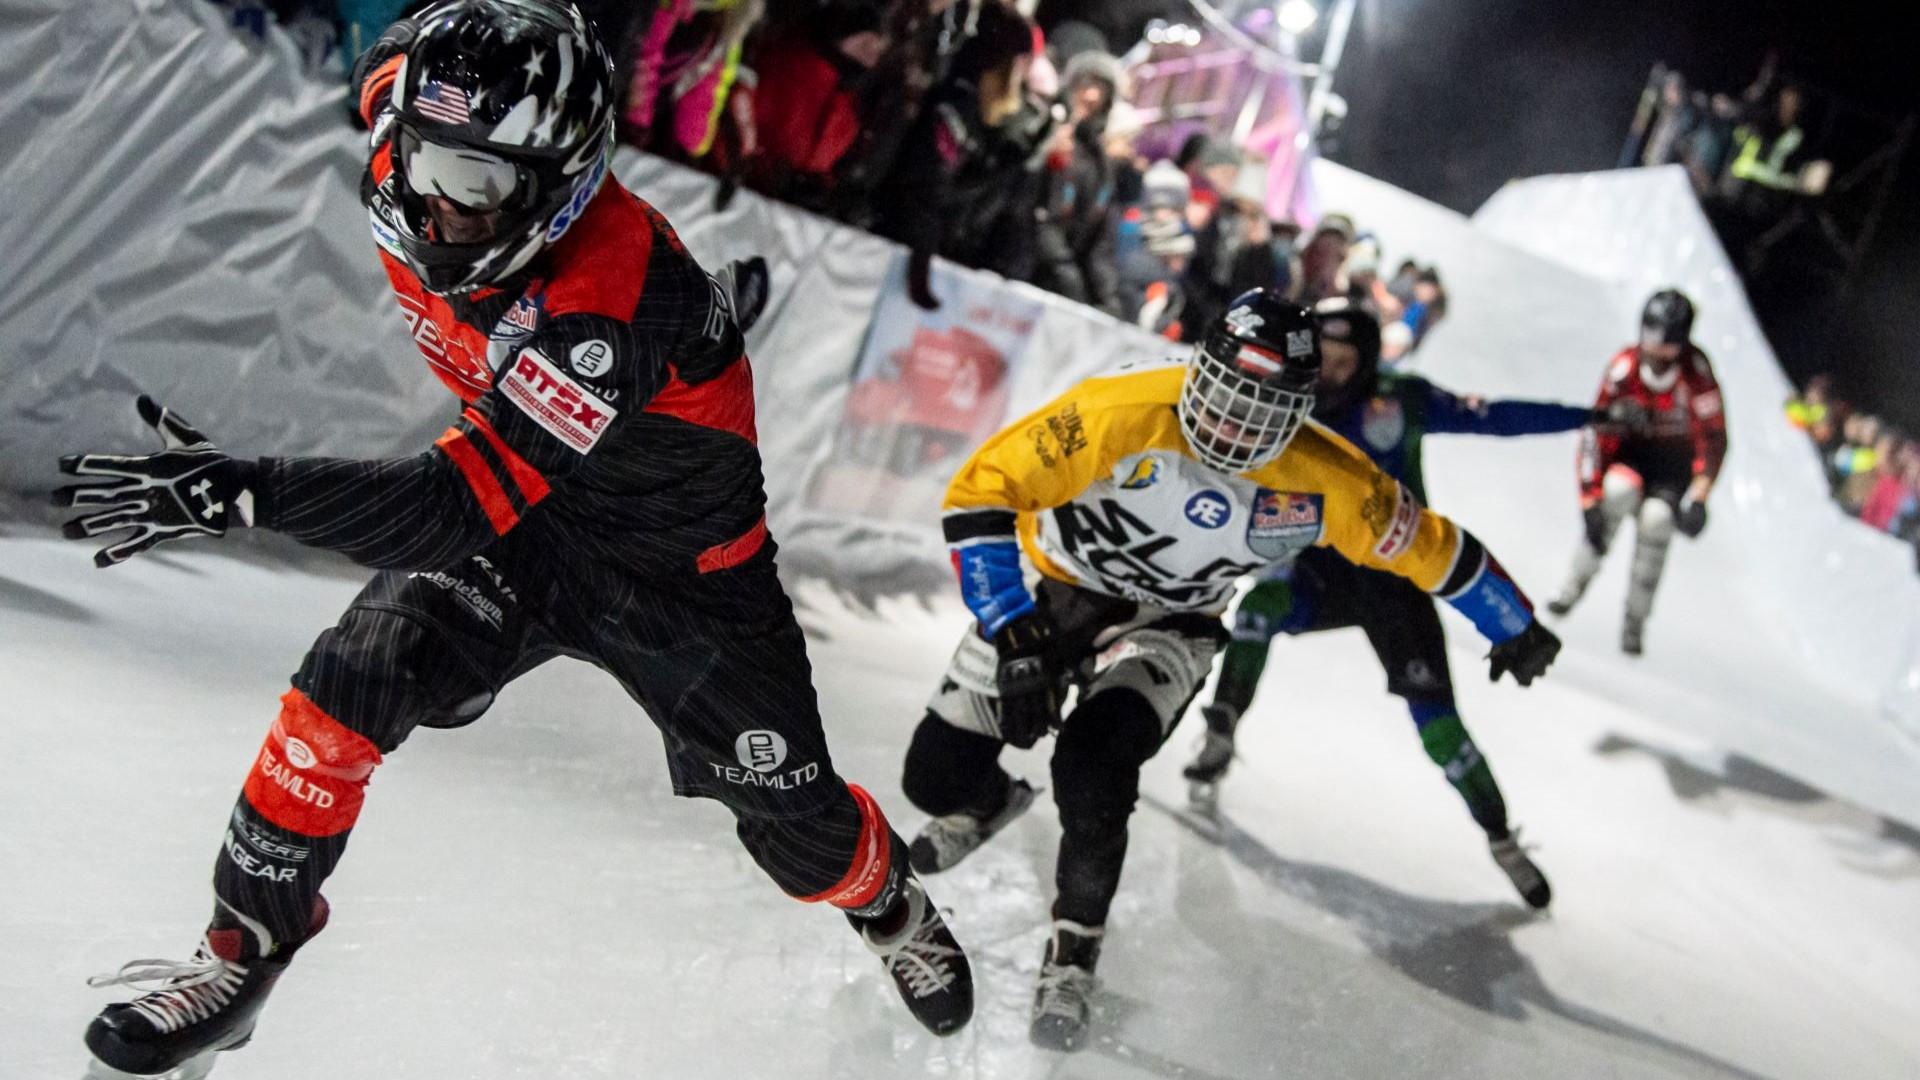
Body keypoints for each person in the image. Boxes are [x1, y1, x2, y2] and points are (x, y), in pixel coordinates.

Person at [60, 4, 972, 1075]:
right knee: (346, 683)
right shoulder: (410, 94)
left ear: (567, 187)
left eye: (483, 187)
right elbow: (413, 63)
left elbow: (449, 508)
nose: (439, 207)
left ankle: (888, 904)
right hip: (533, 519)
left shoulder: (607, 307)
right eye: (427, 159)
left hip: (680, 582)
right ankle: (239, 952)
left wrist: (247, 493)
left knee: (800, 835)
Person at [897, 290, 1563, 1051]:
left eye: (1264, 413)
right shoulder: (1116, 411)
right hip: (1056, 597)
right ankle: (986, 802)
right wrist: (1015, 634)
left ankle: (1075, 946)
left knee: (1094, 769)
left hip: (1171, 628)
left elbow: (1433, 547)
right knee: (931, 781)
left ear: (1303, 415)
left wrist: (1518, 624)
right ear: (1197, 371)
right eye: (1224, 399)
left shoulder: (1328, 479)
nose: (1232, 428)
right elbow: (982, 491)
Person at [1182, 299, 1609, 908]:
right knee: (1257, 609)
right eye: (1321, 361)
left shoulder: (1400, 400)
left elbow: (1494, 417)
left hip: (1396, 580)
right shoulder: (1288, 395)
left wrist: (1586, 418)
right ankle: (1220, 729)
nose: (1329, 374)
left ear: (1367, 365)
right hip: (1320, 565)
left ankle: (1499, 836)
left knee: (1439, 728)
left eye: (1343, 363)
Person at [1546, 288, 1728, 655]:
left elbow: (1715, 437)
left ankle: (1635, 620)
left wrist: (1700, 496)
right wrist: (1588, 498)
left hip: (1672, 472)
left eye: (1667, 342)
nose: (1656, 349)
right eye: (1650, 334)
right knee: (1615, 496)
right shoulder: (1624, 369)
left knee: (1657, 521)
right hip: (1629, 461)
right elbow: (1595, 431)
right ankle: (1571, 587)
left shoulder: (1697, 375)